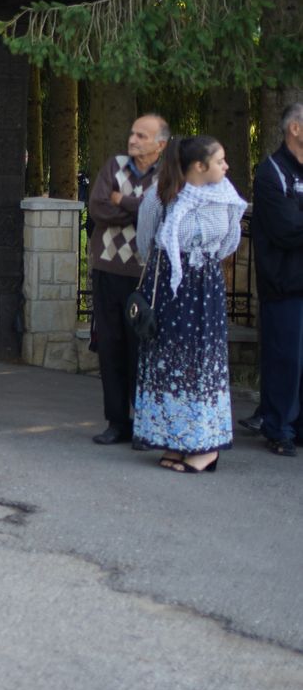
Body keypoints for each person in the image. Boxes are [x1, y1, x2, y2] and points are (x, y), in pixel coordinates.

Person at [133, 136, 246, 473]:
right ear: (199, 166)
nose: (226, 167)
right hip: (168, 287)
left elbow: (229, 242)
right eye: (220, 160)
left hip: (204, 289)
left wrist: (200, 264)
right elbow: (146, 241)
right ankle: (173, 440)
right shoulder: (161, 195)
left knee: (202, 364)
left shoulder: (226, 198)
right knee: (167, 361)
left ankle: (205, 447)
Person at [89, 114, 169, 445]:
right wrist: (137, 209)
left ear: (160, 144)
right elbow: (97, 208)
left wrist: (123, 201)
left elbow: (161, 211)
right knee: (110, 347)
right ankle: (116, 421)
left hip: (144, 276)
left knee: (143, 351)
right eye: (132, 133)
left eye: (142, 135)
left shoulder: (167, 174)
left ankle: (145, 424)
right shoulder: (114, 165)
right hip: (107, 269)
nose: (133, 139)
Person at [253, 101, 303, 457]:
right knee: (285, 358)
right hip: (284, 285)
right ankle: (278, 428)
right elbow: (286, 229)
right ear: (295, 129)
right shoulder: (271, 171)